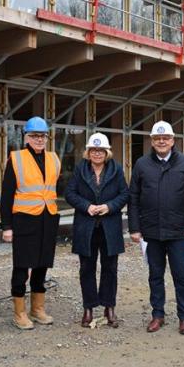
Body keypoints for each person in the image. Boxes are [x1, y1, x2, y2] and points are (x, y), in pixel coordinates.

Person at [128, 120, 184, 336]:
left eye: (166, 138)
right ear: (152, 141)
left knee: (181, 275)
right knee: (155, 275)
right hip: (151, 230)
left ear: (173, 141)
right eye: (157, 138)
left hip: (178, 231)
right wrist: (135, 227)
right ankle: (157, 315)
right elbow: (133, 198)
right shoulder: (142, 164)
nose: (162, 141)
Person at [0, 116, 62, 330]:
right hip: (24, 220)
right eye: (35, 135)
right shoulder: (16, 159)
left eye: (42, 136)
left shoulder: (54, 158)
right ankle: (19, 313)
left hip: (48, 218)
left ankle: (37, 309)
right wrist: (6, 226)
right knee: (21, 266)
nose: (39, 139)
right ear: (27, 137)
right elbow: (7, 194)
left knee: (42, 264)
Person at [65, 133, 129, 328]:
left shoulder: (116, 169)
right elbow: (70, 193)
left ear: (107, 152)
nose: (97, 154)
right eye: (94, 150)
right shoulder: (80, 169)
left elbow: (124, 193)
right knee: (87, 269)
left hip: (109, 227)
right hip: (86, 227)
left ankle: (109, 307)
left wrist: (109, 206)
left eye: (101, 150)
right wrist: (87, 206)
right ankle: (89, 307)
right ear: (88, 152)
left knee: (110, 269)